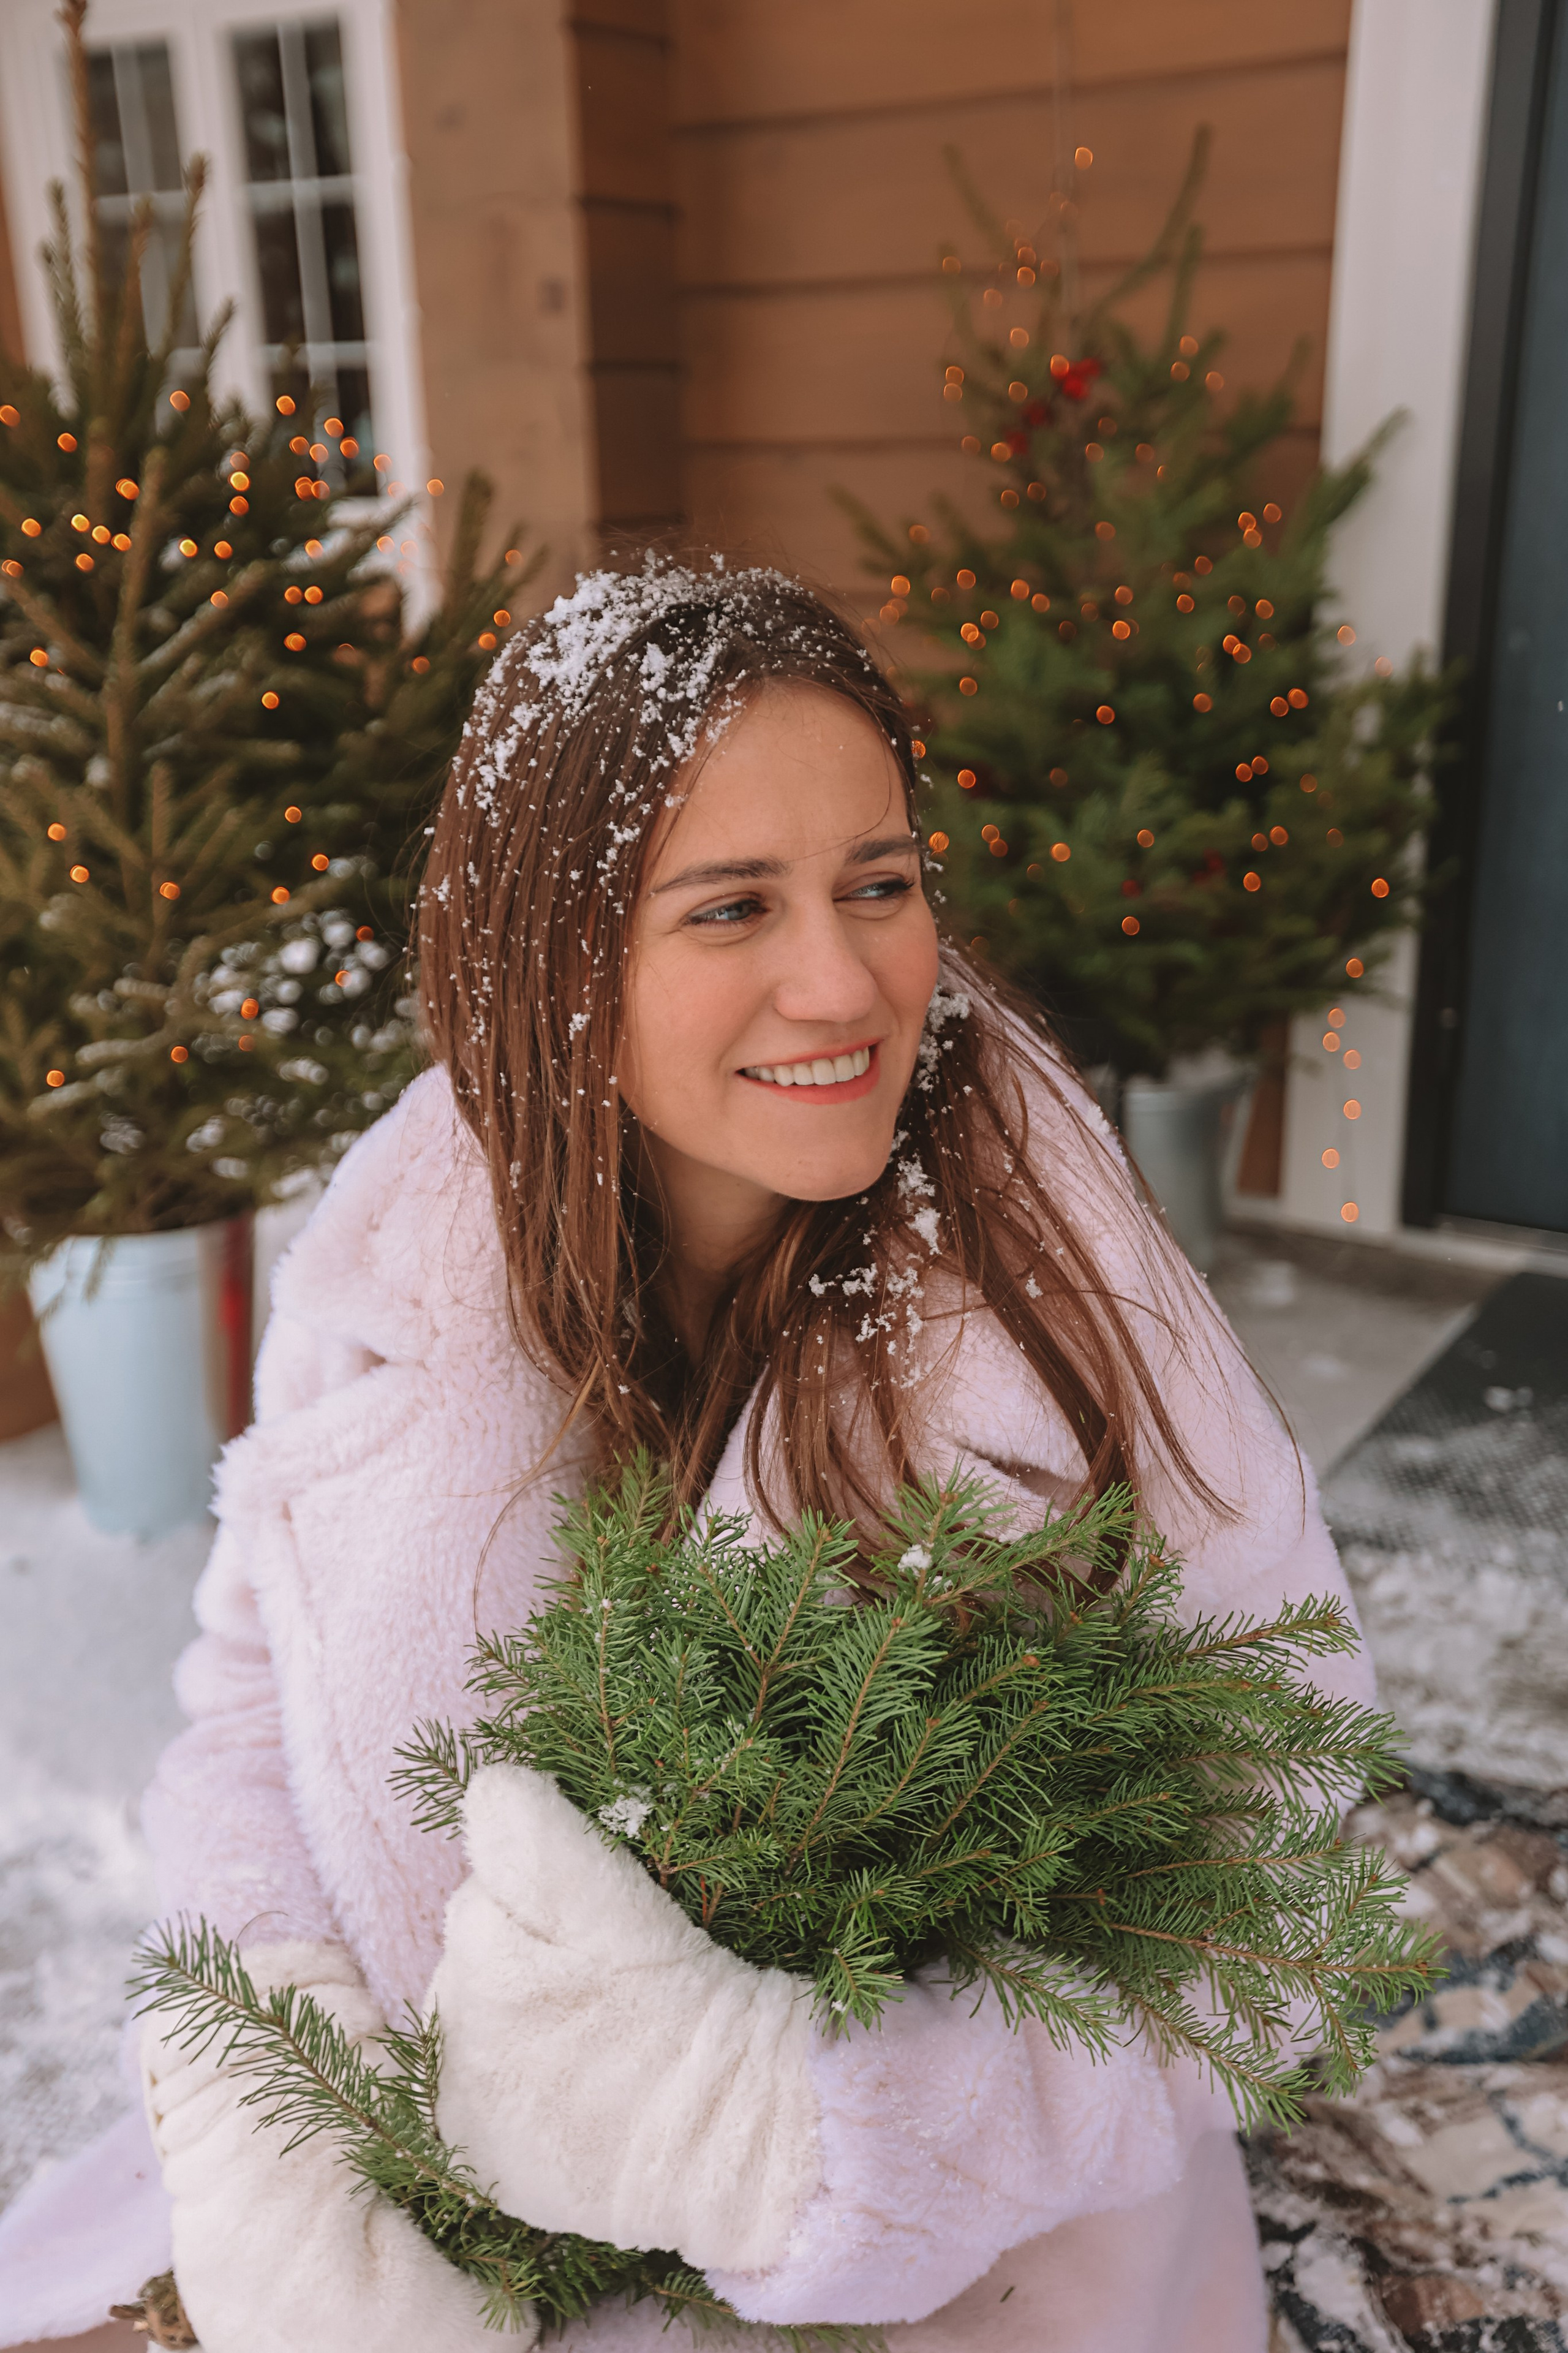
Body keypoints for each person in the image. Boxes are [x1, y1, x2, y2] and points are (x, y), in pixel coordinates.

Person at [71, 561, 1374, 2349]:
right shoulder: (410, 1253)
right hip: (461, 2213)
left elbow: (1278, 1890)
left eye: (880, 885)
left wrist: (787, 2138)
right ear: (556, 954)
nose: (841, 981)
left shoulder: (1058, 1306)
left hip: (961, 2282)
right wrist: (272, 2095)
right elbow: (249, 1706)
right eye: (733, 906)